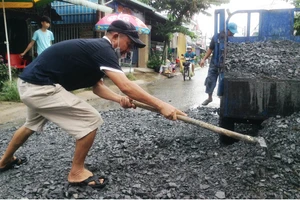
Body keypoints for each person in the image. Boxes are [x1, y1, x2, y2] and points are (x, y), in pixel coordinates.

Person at [0, 20, 186, 188]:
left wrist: (118, 99)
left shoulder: (98, 51)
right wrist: (162, 105)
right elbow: (126, 86)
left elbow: (97, 87)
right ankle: (76, 173)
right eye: (129, 44)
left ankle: (4, 161)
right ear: (115, 36)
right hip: (40, 87)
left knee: (30, 125)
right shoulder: (103, 49)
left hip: (29, 84)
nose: (130, 50)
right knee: (90, 120)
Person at [199, 22, 238, 106]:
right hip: (214, 63)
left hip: (225, 64)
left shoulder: (232, 39)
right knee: (210, 80)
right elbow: (210, 49)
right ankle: (209, 98)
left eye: (233, 33)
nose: (232, 34)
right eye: (231, 32)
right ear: (226, 29)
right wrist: (203, 59)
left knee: (224, 82)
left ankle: (222, 100)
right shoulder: (216, 37)